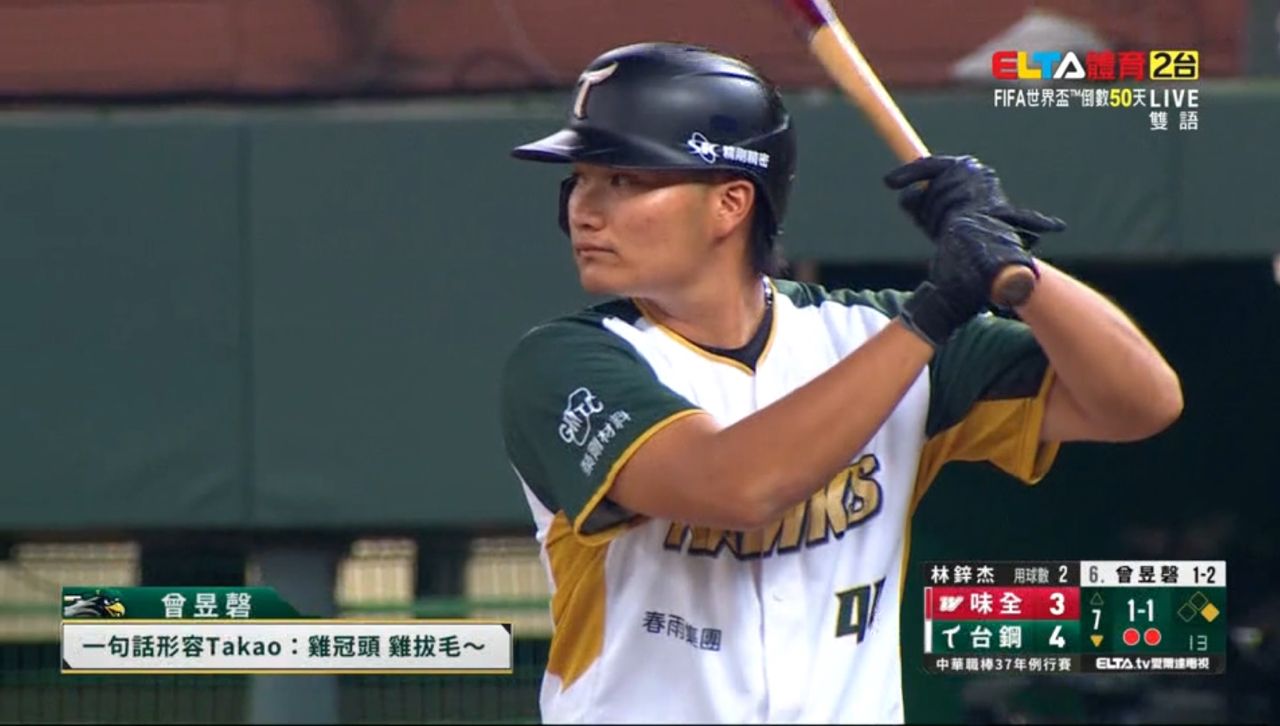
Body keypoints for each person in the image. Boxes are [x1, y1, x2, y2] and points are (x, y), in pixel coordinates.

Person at [499, 42, 1182, 723]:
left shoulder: (870, 335)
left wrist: (1016, 267)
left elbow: (1141, 402)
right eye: (580, 180)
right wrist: (933, 314)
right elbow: (737, 486)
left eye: (623, 180)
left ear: (731, 203)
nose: (584, 210)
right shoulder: (566, 363)